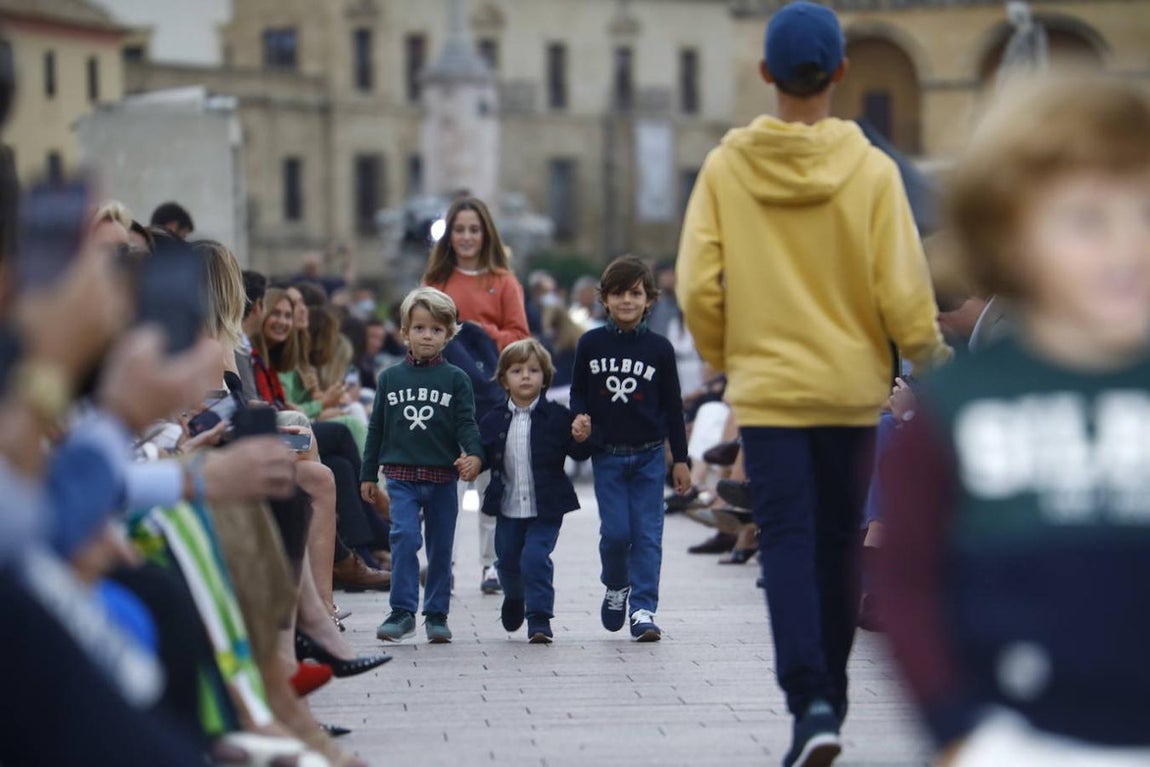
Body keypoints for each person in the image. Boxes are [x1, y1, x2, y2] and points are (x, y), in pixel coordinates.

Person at [676, 3, 950, 764]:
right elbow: (903, 288)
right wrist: (929, 361)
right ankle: (830, 692)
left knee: (789, 541)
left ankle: (811, 701)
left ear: (765, 73)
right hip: (852, 391)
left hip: (770, 393)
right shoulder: (870, 168)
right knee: (839, 544)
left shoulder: (729, 166)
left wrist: (727, 352)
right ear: (842, 71)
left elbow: (699, 283)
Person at [880, 74, 1150, 767]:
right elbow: (909, 581)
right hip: (1019, 738)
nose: (1129, 244)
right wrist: (954, 726)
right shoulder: (962, 405)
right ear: (1011, 239)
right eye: (1089, 219)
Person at [570, 256, 691, 643]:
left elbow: (674, 406)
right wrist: (580, 418)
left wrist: (682, 459)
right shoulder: (590, 344)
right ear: (604, 299)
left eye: (635, 293)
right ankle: (616, 584)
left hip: (651, 456)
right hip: (608, 455)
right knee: (617, 534)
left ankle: (643, 609)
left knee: (648, 535)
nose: (627, 301)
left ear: (649, 300)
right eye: (619, 293)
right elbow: (578, 392)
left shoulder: (660, 349)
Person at [362, 287, 484, 644]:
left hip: (443, 478)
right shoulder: (389, 378)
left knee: (441, 547)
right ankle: (401, 611)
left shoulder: (456, 379)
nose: (427, 336)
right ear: (404, 332)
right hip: (400, 477)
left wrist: (475, 455)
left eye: (435, 329)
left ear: (448, 334)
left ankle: (436, 614)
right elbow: (376, 428)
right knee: (403, 538)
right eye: (419, 328)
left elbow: (467, 423)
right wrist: (368, 472)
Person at [423, 196, 530, 594]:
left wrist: (479, 333)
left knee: (490, 483)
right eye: (459, 229)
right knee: (446, 485)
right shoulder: (436, 282)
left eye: (473, 229)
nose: (466, 237)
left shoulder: (502, 281)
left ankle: (491, 563)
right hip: (446, 395)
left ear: (485, 233)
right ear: (449, 235)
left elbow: (520, 336)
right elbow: (421, 327)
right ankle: (442, 563)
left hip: (490, 395)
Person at [478, 339, 592, 643]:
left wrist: (581, 437)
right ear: (504, 379)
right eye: (517, 370)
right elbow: (482, 455)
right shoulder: (492, 419)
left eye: (533, 370)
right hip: (507, 506)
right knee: (507, 561)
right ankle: (514, 597)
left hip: (547, 506)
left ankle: (539, 617)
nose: (525, 376)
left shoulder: (557, 416)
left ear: (545, 378)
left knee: (535, 557)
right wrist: (469, 462)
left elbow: (578, 454)